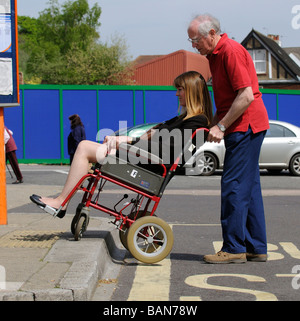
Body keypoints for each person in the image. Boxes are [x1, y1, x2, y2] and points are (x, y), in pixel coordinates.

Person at [30, 71, 213, 217]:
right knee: (87, 147)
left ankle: (61, 202)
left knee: (84, 147)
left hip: (151, 165)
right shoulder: (184, 118)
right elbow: (152, 138)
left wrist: (122, 144)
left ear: (191, 91)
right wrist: (123, 140)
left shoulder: (196, 121)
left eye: (180, 89)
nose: (176, 93)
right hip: (146, 159)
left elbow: (165, 149)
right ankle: (62, 202)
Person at [188, 14, 269, 263]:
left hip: (245, 127)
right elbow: (228, 98)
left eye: (196, 39)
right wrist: (214, 123)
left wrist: (221, 125)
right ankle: (256, 246)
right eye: (191, 40)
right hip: (246, 126)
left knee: (233, 185)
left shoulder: (229, 51)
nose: (194, 45)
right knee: (249, 187)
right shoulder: (215, 55)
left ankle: (234, 248)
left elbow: (245, 95)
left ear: (212, 33)